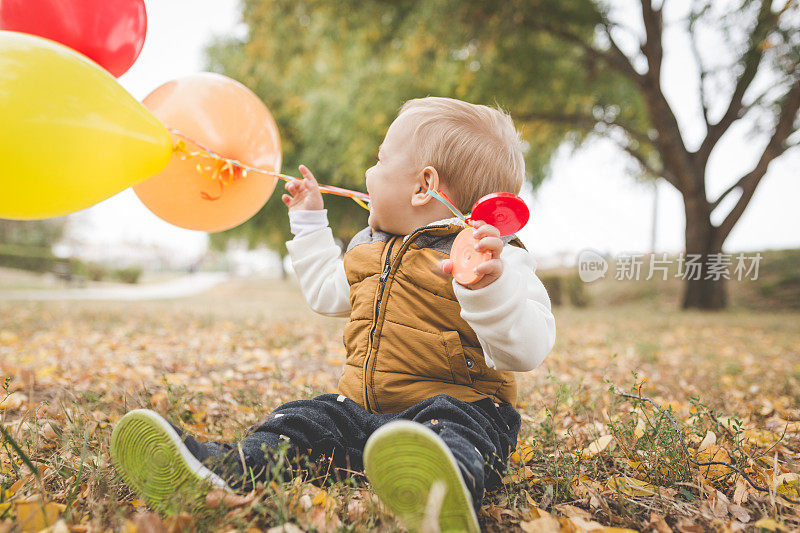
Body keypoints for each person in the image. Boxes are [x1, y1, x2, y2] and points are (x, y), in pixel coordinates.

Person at [110, 96, 556, 532]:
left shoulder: (493, 262)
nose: (368, 171)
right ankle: (227, 470)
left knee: (456, 431)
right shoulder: (369, 248)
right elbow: (326, 292)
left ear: (423, 186)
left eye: (380, 161)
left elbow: (529, 349)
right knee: (305, 418)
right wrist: (308, 224)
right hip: (363, 414)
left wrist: (488, 292)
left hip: (464, 408)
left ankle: (442, 486)